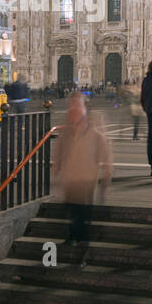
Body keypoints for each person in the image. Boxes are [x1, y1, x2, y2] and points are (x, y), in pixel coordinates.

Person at [51, 93, 113, 266]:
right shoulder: (66, 131)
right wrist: (56, 169)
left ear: (85, 109)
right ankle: (72, 237)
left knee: (83, 217)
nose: (73, 109)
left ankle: (81, 252)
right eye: (71, 105)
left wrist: (106, 176)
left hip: (86, 180)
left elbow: (106, 155)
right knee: (72, 212)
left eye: (77, 105)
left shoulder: (94, 132)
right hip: (70, 179)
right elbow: (58, 151)